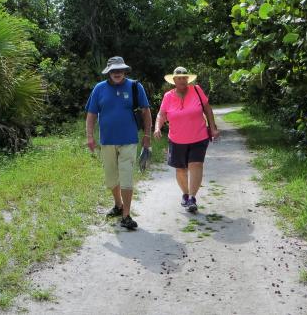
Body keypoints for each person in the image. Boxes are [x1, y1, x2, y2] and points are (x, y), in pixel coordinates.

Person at [86, 56, 152, 230]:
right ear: (108, 72)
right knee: (111, 178)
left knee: (126, 177)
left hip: (129, 140)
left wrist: (147, 135)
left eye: (120, 70)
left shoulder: (135, 87)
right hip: (107, 141)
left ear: (125, 71)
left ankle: (126, 215)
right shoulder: (99, 89)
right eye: (114, 70)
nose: (117, 73)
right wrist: (90, 137)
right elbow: (91, 114)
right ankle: (118, 204)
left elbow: (145, 112)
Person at [153, 66, 219, 213]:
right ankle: (185, 193)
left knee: (196, 164)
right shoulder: (168, 96)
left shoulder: (196, 90)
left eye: (184, 78)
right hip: (177, 139)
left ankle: (192, 198)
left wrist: (213, 128)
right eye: (179, 78)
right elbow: (161, 114)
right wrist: (157, 127)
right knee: (181, 169)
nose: (182, 80)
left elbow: (207, 109)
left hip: (199, 137)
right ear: (174, 80)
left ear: (187, 79)